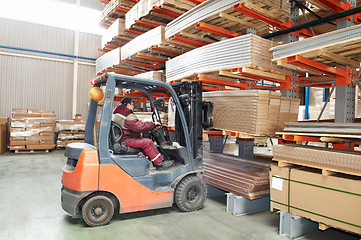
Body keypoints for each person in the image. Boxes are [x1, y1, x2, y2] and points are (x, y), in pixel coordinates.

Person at [112, 98, 173, 170]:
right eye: (132, 104)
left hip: (123, 138)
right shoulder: (127, 115)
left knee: (143, 143)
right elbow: (139, 127)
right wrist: (152, 124)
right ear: (128, 105)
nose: (133, 106)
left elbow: (133, 125)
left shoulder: (119, 113)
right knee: (148, 142)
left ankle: (155, 161)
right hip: (126, 140)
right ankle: (159, 164)